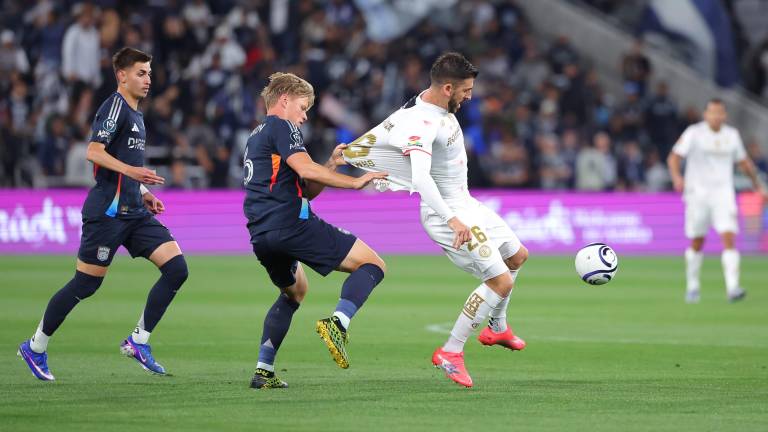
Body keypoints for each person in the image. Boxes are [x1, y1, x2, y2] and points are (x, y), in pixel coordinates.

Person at [344, 52, 528, 388]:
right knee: (500, 282)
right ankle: (450, 351)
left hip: (466, 203)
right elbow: (421, 179)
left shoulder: (431, 104)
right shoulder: (422, 123)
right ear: (447, 88)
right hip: (447, 214)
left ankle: (497, 328)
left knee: (517, 256)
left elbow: (390, 127)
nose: (470, 96)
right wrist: (452, 220)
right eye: (466, 90)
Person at [18, 48, 189, 381]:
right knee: (86, 284)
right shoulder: (115, 107)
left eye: (150, 73)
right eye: (141, 72)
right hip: (107, 213)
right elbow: (94, 152)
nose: (148, 79)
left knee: (177, 268)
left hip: (133, 211)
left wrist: (142, 191)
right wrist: (134, 173)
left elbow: (121, 166)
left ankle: (138, 341)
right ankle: (35, 346)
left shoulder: (137, 115)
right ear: (121, 75)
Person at [243, 72, 388, 389]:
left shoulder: (257, 135)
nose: (305, 115)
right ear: (284, 100)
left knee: (295, 292)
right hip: (290, 223)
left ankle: (263, 370)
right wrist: (355, 181)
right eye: (303, 106)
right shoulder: (284, 126)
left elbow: (305, 187)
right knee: (373, 264)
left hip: (261, 234)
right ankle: (339, 322)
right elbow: (306, 171)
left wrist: (332, 165)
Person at [667, 99, 768, 303]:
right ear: (706, 115)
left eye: (720, 112)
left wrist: (758, 185)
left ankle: (733, 287)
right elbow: (674, 157)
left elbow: (744, 163)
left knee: (729, 237)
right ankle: (693, 286)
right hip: (697, 193)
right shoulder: (694, 133)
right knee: (697, 240)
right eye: (713, 112)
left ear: (725, 115)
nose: (717, 116)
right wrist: (677, 177)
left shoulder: (731, 135)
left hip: (723, 194)